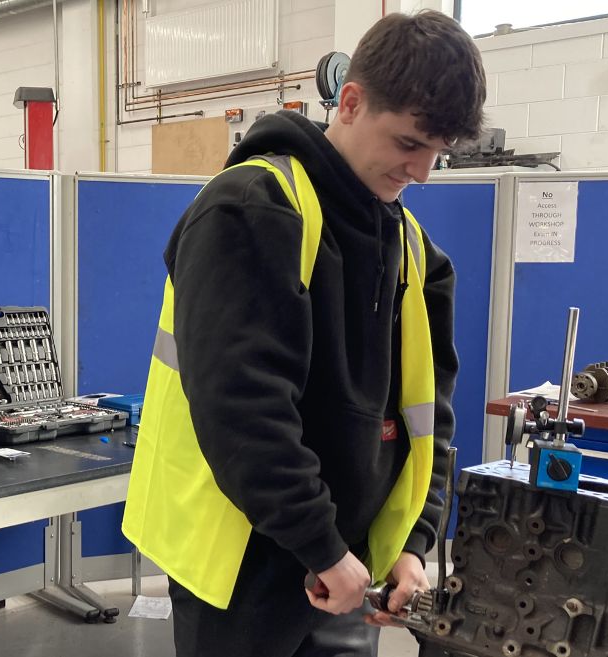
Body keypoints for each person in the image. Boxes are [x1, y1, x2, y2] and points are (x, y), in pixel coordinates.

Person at [122, 10, 485, 657]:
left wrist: (412, 544)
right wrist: (320, 543)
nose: (422, 172)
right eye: (409, 143)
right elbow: (242, 409)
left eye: (438, 153)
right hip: (240, 568)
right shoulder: (249, 211)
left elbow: (430, 417)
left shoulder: (414, 251)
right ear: (350, 101)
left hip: (346, 568)